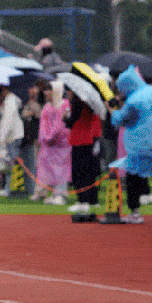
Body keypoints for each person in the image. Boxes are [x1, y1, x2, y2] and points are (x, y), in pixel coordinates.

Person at [108, 65, 152, 224]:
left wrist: (111, 109)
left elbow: (119, 120)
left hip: (140, 145)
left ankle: (135, 212)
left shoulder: (133, 100)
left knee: (132, 178)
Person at [64, 87, 102, 215]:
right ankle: (92, 199)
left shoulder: (78, 102)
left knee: (78, 172)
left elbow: (71, 122)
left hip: (78, 139)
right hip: (88, 138)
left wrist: (65, 117)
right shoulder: (90, 102)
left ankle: (82, 201)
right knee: (88, 171)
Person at [36, 80, 70, 204]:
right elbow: (43, 124)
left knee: (61, 169)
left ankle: (61, 194)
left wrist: (50, 136)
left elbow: (60, 124)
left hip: (61, 144)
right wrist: (44, 137)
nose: (46, 93)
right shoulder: (47, 106)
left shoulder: (64, 104)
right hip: (48, 145)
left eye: (49, 90)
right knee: (50, 169)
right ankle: (55, 193)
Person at [0, 85, 24, 197]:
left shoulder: (10, 101)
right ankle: (12, 188)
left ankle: (11, 189)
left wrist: (2, 138)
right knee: (12, 163)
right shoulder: (12, 100)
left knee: (11, 163)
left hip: (12, 136)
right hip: (15, 135)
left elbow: (8, 121)